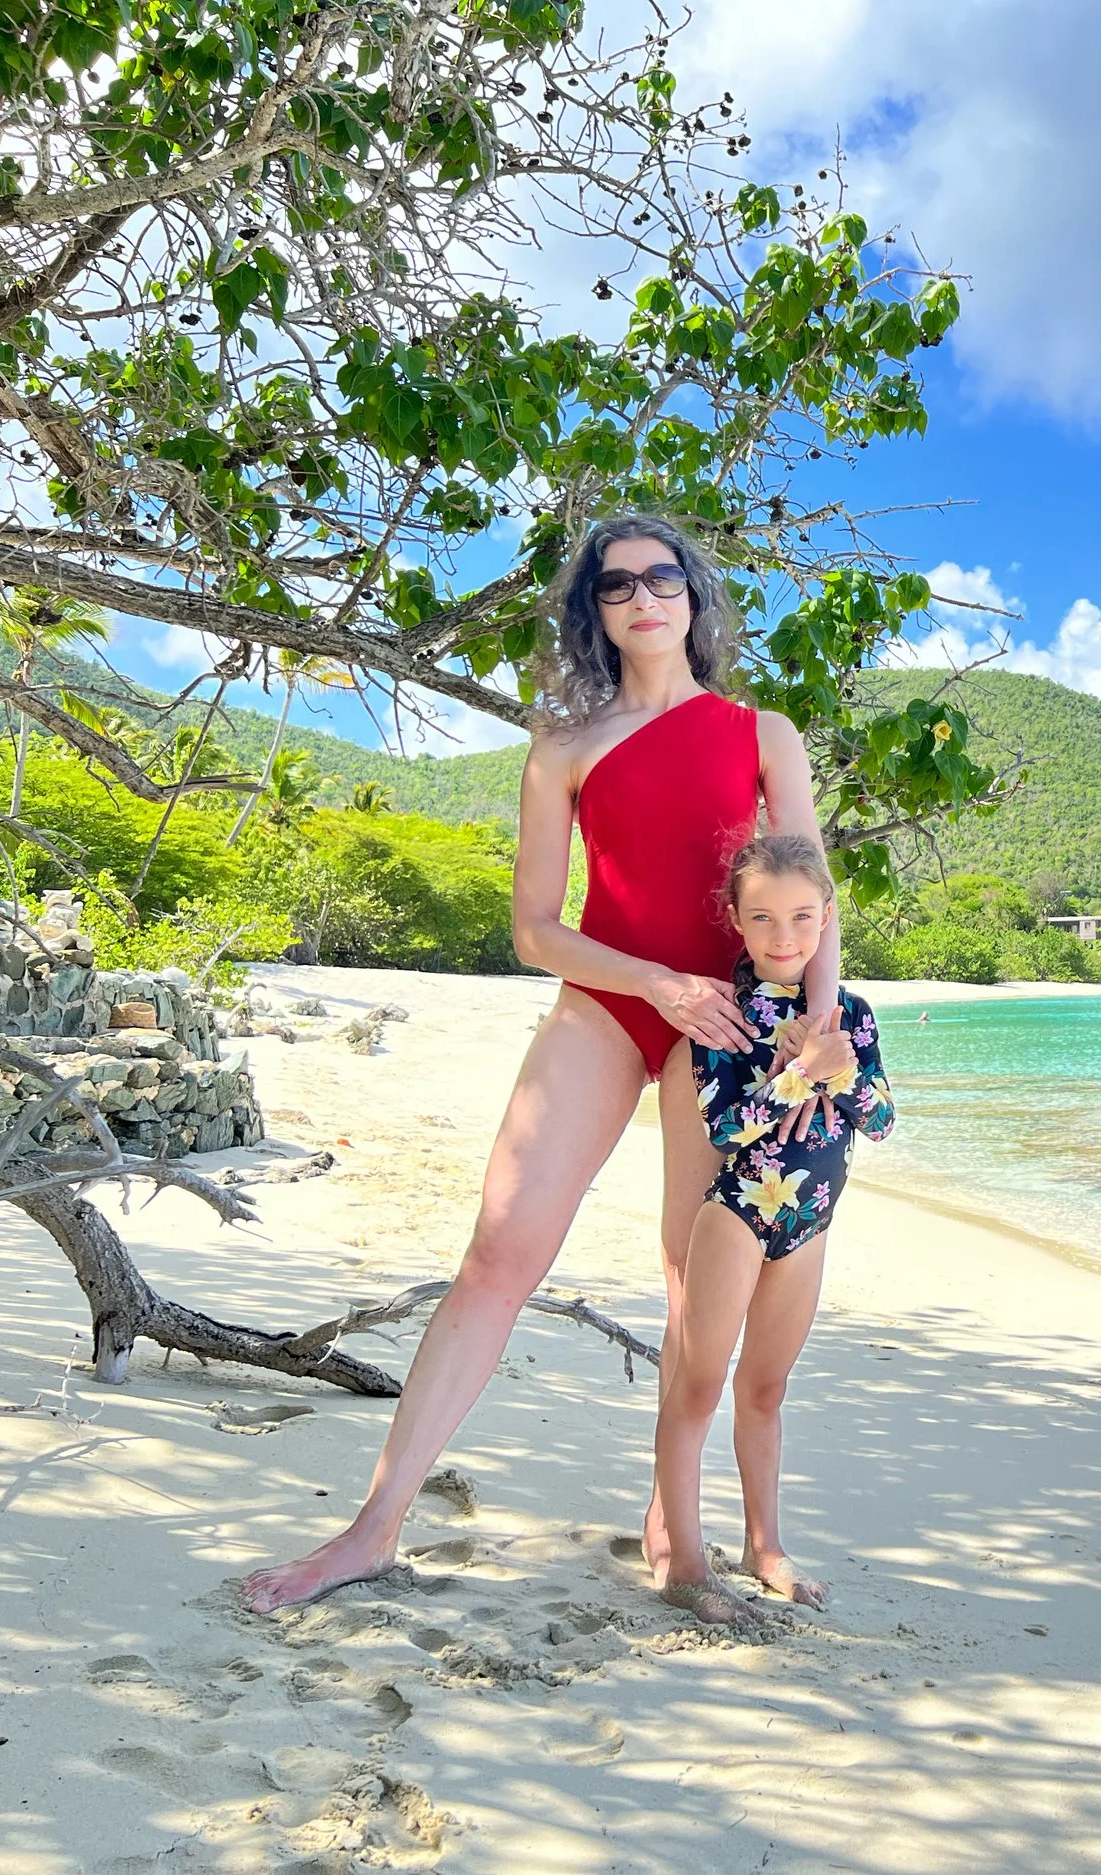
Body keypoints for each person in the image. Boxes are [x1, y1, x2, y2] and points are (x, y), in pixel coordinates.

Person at [239, 515, 838, 1614]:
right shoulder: (563, 750)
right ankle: (371, 1529)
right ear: (594, 615)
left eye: (665, 578)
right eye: (617, 587)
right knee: (498, 1255)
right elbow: (533, 931)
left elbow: (812, 893)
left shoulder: (764, 731)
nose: (644, 598)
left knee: (687, 1282)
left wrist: (822, 1020)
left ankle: (677, 1529)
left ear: (695, 598)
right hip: (609, 1007)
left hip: (733, 1030)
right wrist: (653, 983)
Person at [653, 834, 893, 1618]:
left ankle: (766, 1547)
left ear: (826, 916)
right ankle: (685, 1560)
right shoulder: (722, 1014)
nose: (783, 935)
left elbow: (882, 1117)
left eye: (799, 915)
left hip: (811, 1226)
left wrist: (839, 1065)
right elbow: (727, 1127)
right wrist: (795, 1072)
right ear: (736, 921)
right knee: (698, 1385)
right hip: (737, 1216)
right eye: (762, 917)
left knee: (766, 1388)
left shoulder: (849, 1015)